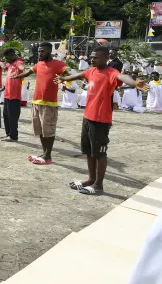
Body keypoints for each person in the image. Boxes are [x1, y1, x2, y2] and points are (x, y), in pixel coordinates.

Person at [56, 46, 148, 195]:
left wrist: (134, 83)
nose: (92, 59)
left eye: (96, 57)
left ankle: (99, 185)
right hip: (88, 117)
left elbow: (122, 78)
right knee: (89, 152)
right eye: (91, 57)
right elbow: (77, 75)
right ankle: (91, 180)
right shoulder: (91, 71)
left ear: (106, 58)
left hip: (101, 120)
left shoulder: (112, 72)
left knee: (99, 153)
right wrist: (62, 78)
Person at [12, 41, 68, 165]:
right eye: (39, 51)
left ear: (49, 51)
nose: (40, 53)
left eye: (42, 51)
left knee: (48, 130)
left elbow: (69, 72)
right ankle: (44, 153)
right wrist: (18, 76)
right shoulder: (39, 64)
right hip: (36, 101)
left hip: (49, 104)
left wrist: (66, 78)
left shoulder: (58, 64)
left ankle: (48, 156)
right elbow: (29, 72)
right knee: (41, 130)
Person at [1, 48, 24, 142]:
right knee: (6, 116)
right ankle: (8, 134)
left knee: (12, 117)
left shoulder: (19, 62)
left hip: (14, 96)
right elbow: (5, 66)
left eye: (7, 58)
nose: (7, 60)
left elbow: (21, 67)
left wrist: (23, 69)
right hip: (7, 95)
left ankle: (14, 136)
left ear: (12, 55)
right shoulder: (10, 64)